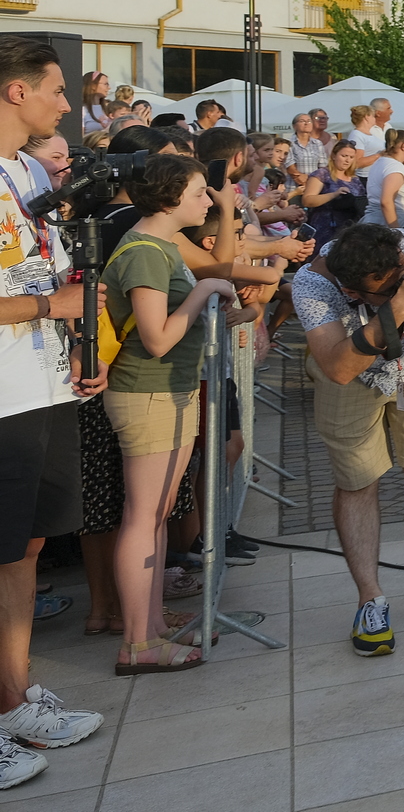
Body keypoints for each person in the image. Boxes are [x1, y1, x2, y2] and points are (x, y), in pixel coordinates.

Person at [101, 154, 256, 675]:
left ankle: (148, 625)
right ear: (169, 198)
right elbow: (158, 337)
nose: (205, 200)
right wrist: (206, 292)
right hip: (146, 393)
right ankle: (138, 643)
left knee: (156, 514)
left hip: (169, 392)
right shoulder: (145, 252)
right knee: (143, 517)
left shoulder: (161, 245)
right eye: (197, 192)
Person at [0, 40, 108, 785]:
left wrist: (73, 340)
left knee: (26, 550)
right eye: (57, 90)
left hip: (40, 383)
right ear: (15, 92)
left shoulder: (23, 171)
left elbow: (42, 267)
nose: (66, 104)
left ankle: (13, 700)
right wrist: (51, 304)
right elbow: (39, 287)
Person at [292, 223, 404, 656]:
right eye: (388, 287)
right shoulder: (313, 284)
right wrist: (398, 306)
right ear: (354, 293)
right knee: (358, 482)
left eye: (402, 273)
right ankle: (370, 599)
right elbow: (338, 367)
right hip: (350, 373)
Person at [366, 129, 404, 231]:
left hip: (374, 221)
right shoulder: (394, 168)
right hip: (397, 223)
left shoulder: (380, 163)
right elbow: (386, 201)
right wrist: (396, 232)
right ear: (403, 146)